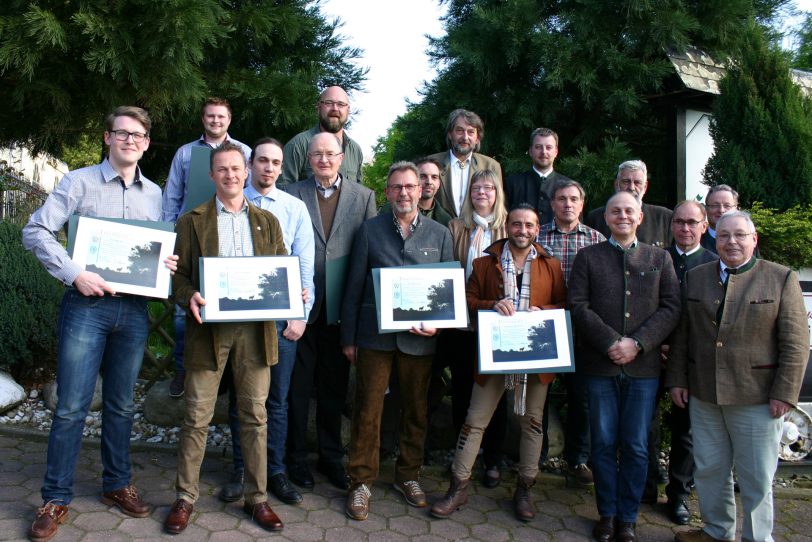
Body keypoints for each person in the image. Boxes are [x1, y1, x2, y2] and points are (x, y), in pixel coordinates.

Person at [23, 106, 177, 542]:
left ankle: (116, 484)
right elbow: (35, 231)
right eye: (122, 133)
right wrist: (75, 273)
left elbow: (153, 252)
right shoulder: (79, 182)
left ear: (147, 143)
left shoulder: (156, 195)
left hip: (133, 311)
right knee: (71, 406)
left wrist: (164, 262)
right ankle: (55, 498)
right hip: (85, 307)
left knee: (122, 405)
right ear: (107, 137)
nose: (130, 140)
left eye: (139, 135)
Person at [163, 143, 288, 534]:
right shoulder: (191, 220)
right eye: (223, 169)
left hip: (256, 333)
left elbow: (280, 269)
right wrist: (189, 295)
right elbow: (177, 278)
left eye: (237, 168)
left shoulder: (267, 222)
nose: (231, 175)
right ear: (213, 175)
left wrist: (289, 291)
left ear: (247, 171)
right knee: (196, 417)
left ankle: (257, 499)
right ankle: (185, 498)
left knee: (255, 416)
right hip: (207, 333)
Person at [666, 211, 809, 542]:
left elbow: (796, 343)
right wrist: (677, 379)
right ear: (715, 239)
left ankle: (758, 538)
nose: (732, 241)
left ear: (753, 239)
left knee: (756, 477)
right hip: (704, 394)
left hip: (757, 398)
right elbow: (683, 335)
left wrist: (785, 393)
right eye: (725, 235)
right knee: (710, 470)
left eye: (740, 235)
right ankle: (717, 531)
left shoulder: (780, 278)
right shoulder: (697, 277)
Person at [431, 203, 566, 522]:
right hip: (494, 353)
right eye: (517, 224)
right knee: (474, 420)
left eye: (529, 225)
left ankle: (525, 488)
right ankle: (458, 486)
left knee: (532, 423)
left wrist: (544, 310)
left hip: (534, 356)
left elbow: (563, 303)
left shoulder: (551, 266)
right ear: (508, 227)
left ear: (537, 229)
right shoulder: (483, 264)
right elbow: (467, 300)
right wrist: (493, 305)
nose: (523, 230)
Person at [341, 161, 454, 521]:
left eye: (410, 186)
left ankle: (409, 476)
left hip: (420, 342)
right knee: (367, 410)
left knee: (416, 410)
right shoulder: (370, 231)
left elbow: (448, 291)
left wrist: (438, 326)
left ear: (422, 190)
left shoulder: (440, 234)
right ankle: (360, 481)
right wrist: (349, 338)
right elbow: (353, 286)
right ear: (387, 192)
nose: (404, 193)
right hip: (374, 338)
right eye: (396, 187)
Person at [569, 191, 681, 542]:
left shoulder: (659, 258)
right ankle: (607, 514)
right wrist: (610, 342)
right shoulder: (588, 257)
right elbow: (578, 304)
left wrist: (638, 343)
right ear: (606, 218)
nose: (622, 216)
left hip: (643, 369)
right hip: (600, 367)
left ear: (640, 217)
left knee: (635, 445)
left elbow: (671, 307)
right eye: (615, 211)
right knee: (602, 445)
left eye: (629, 211)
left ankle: (628, 518)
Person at [218, 138, 316, 506]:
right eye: (262, 161)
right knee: (241, 399)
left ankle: (274, 471)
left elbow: (304, 264)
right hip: (238, 320)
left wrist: (300, 315)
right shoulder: (230, 204)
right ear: (250, 164)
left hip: (280, 321)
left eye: (276, 162)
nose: (269, 168)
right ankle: (242, 471)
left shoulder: (294, 209)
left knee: (277, 399)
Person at [285, 132, 377, 491]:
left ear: (342, 158)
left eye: (331, 154)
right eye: (317, 154)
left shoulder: (364, 196)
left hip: (342, 308)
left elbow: (369, 254)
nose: (324, 160)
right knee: (297, 387)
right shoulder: (292, 194)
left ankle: (330, 458)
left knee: (334, 390)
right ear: (309, 159)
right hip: (301, 307)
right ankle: (295, 460)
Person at [161, 97, 252, 398]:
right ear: (203, 119)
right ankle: (182, 369)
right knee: (183, 311)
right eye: (210, 116)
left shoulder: (245, 153)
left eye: (221, 116)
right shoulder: (186, 153)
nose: (216, 121)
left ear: (229, 119)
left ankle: (226, 376)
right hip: (191, 236)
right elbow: (172, 196)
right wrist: (169, 237)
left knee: (230, 305)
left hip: (229, 235)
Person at [440, 169, 508, 489]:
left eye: (488, 188)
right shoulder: (456, 227)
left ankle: (493, 460)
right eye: (476, 188)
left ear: (498, 193)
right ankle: (462, 457)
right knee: (463, 391)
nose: (482, 192)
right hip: (463, 324)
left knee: (497, 395)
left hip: (499, 324)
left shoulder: (508, 227)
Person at [536, 179, 605, 486]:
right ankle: (533, 457)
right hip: (543, 328)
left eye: (573, 199)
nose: (567, 204)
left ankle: (577, 460)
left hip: (581, 331)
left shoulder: (596, 240)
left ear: (582, 203)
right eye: (561, 199)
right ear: (552, 204)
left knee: (583, 399)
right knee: (539, 396)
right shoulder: (535, 236)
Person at [658, 201, 718, 525]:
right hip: (653, 354)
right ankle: (643, 487)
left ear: (704, 226)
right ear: (671, 226)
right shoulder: (656, 258)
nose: (685, 228)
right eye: (679, 222)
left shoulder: (713, 264)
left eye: (692, 222)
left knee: (686, 431)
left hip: (692, 361)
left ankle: (678, 494)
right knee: (646, 425)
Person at [280, 86, 363, 187]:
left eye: (341, 104)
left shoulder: (355, 150)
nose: (335, 108)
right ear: (318, 108)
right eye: (329, 103)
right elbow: (283, 191)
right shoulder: (297, 145)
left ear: (348, 110)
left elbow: (358, 194)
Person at [428, 109, 502, 218]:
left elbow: (498, 206)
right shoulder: (431, 163)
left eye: (471, 132)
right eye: (459, 131)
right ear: (450, 134)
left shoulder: (491, 166)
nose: (465, 137)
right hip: (439, 231)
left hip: (478, 232)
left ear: (477, 138)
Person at [585, 160, 672, 248]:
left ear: (645, 187)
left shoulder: (664, 218)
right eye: (626, 182)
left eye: (637, 182)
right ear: (616, 184)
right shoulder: (595, 218)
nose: (631, 187)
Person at [504, 127, 572, 224]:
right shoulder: (512, 183)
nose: (544, 152)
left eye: (548, 147)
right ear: (531, 151)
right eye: (538, 147)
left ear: (556, 152)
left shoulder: (569, 186)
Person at [379, 157, 453, 227]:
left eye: (434, 177)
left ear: (439, 183)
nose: (429, 182)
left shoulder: (446, 220)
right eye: (423, 176)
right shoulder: (387, 211)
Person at [700, 185, 739, 254]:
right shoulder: (696, 241)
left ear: (736, 209)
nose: (721, 210)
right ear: (706, 209)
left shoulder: (746, 241)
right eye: (715, 205)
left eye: (727, 206)